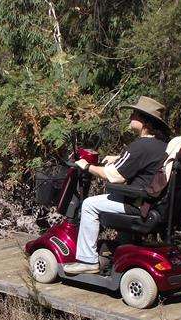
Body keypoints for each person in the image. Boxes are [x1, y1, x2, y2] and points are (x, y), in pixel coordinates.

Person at [63, 96, 170, 274]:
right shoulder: (161, 145)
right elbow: (143, 164)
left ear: (146, 122)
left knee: (89, 205)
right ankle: (123, 249)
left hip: (138, 204)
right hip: (152, 203)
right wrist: (118, 159)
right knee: (112, 198)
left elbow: (115, 176)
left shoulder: (141, 146)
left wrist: (87, 166)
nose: (131, 117)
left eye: (135, 114)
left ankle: (87, 261)